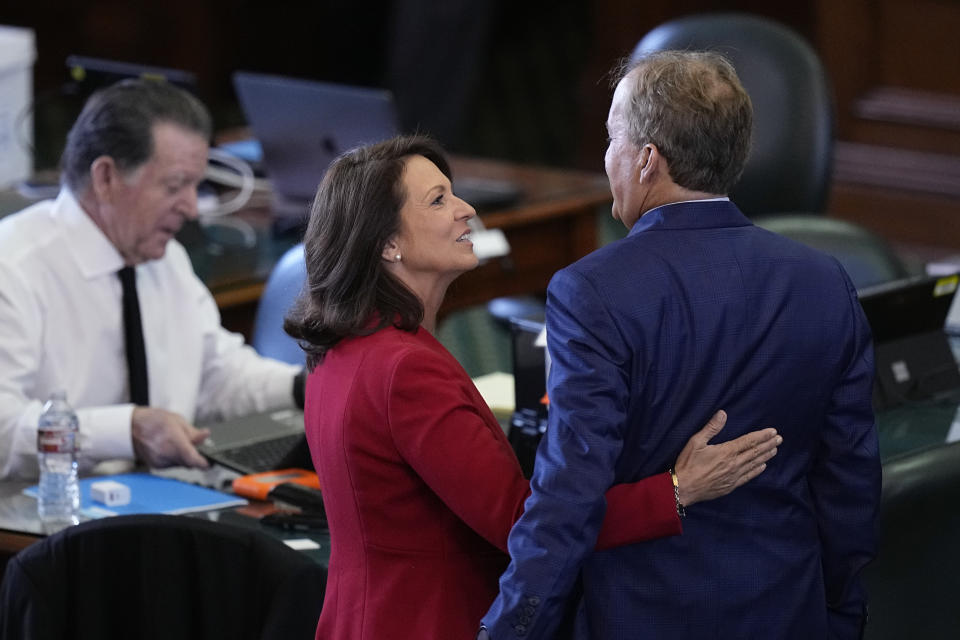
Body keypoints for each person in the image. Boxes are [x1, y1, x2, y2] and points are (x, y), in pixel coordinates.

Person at [282, 134, 781, 639]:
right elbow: (524, 526)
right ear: (386, 243)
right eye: (438, 200)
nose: (466, 209)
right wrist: (677, 490)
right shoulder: (405, 370)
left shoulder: (343, 347)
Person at [481, 51, 881, 639]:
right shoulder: (826, 281)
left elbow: (569, 493)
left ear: (647, 161)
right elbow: (849, 483)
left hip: (642, 617)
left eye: (612, 138)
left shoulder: (591, 292)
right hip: (787, 610)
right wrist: (840, 615)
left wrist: (511, 629)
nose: (605, 157)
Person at [0, 79, 303, 480]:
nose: (192, 208)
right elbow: (4, 430)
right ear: (106, 177)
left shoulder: (166, 259)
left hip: (163, 506)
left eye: (197, 186)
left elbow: (218, 375)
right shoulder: (13, 267)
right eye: (175, 186)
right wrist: (126, 431)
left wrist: (304, 388)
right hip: (44, 521)